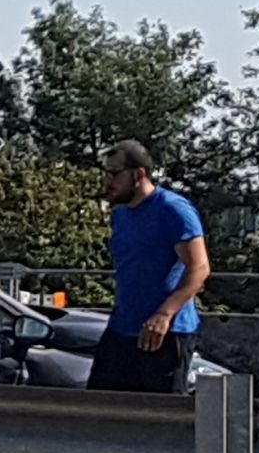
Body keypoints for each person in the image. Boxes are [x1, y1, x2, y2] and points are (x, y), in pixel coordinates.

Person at [89, 140, 211, 393]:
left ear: (139, 174)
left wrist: (164, 314)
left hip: (167, 332)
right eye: (105, 173)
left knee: (160, 419)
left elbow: (199, 268)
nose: (107, 181)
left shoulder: (172, 209)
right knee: (100, 411)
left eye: (114, 174)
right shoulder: (120, 215)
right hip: (122, 328)